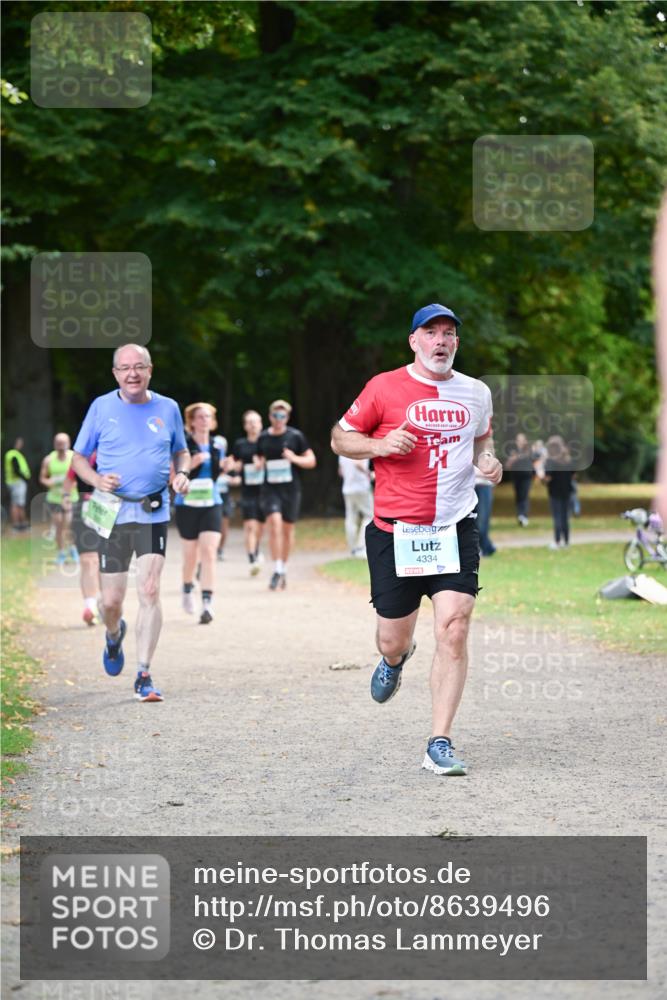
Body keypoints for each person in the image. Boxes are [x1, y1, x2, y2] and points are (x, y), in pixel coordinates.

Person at [331, 303, 502, 777]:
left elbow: (481, 444)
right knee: (392, 637)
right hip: (395, 533)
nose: (442, 341)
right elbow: (339, 438)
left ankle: (439, 741)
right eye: (432, 333)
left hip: (454, 526)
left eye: (449, 334)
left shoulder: (475, 392)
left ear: (456, 344)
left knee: (455, 627)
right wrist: (379, 445)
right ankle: (395, 659)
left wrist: (489, 464)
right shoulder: (383, 387)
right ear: (414, 341)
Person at [71, 344, 190, 702]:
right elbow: (78, 458)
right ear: (115, 373)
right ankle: (113, 634)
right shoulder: (101, 407)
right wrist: (95, 480)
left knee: (150, 589)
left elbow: (180, 450)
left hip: (153, 510)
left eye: (139, 366)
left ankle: (143, 673)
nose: (132, 374)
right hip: (111, 512)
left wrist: (181, 473)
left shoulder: (167, 408)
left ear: (150, 369)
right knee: (110, 601)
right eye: (125, 368)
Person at [256, 399, 316, 591]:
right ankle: (277, 568)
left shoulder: (295, 436)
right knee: (274, 524)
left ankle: (284, 567)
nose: (279, 419)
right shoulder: (263, 437)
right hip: (270, 489)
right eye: (275, 415)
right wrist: (258, 462)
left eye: (282, 416)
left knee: (288, 529)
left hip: (291, 489)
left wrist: (294, 458)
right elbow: (258, 455)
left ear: (287, 417)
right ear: (270, 416)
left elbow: (311, 461)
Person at [175, 403, 225, 624]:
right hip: (187, 504)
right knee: (190, 556)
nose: (205, 420)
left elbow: (217, 473)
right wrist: (191, 464)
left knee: (209, 552)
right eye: (200, 417)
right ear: (192, 421)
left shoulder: (218, 444)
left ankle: (207, 603)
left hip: (211, 502)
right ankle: (187, 588)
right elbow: (171, 478)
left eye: (208, 416)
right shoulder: (182, 445)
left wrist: (226, 466)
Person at [63, 451, 101, 625]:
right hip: (84, 508)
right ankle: (90, 607)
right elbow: (69, 478)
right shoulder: (80, 456)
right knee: (88, 560)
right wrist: (66, 498)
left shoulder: (116, 449)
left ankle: (104, 604)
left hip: (110, 510)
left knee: (105, 562)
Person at [230, 410, 266, 575]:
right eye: (250, 422)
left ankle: (257, 552)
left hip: (266, 491)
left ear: (261, 424)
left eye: (256, 421)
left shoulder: (267, 441)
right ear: (245, 426)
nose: (253, 425)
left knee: (259, 527)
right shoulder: (240, 444)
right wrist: (235, 472)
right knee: (250, 526)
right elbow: (234, 463)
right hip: (248, 490)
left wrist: (263, 464)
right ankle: (252, 559)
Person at [39, 432, 78, 565]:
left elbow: (81, 475)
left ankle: (72, 548)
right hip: (54, 498)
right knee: (59, 525)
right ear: (55, 444)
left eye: (63, 442)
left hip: (70, 497)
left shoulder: (74, 457)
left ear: (68, 443)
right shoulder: (49, 459)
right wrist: (50, 482)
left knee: (70, 525)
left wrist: (72, 484)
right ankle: (61, 552)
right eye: (59, 443)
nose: (61, 445)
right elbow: (42, 478)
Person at [540, 435, 574, 550]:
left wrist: (541, 478)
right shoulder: (568, 460)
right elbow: (574, 475)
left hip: (555, 492)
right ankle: (566, 542)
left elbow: (547, 478)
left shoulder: (551, 461)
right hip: (567, 491)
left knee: (557, 517)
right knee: (565, 517)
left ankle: (557, 541)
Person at [338, 455, 373, 557]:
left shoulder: (342, 449)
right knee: (370, 516)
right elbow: (357, 463)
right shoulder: (360, 446)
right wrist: (369, 473)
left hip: (347, 488)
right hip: (361, 487)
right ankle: (361, 547)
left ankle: (353, 549)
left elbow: (340, 471)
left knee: (351, 518)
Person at [505, 432, 534, 526]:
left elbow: (534, 460)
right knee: (518, 496)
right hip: (516, 476)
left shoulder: (529, 450)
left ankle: (524, 516)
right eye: (518, 440)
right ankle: (520, 515)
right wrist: (512, 459)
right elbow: (508, 465)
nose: (519, 442)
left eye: (521, 439)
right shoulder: (513, 451)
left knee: (524, 495)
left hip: (526, 476)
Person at [4, 436, 30, 531]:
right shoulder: (13, 454)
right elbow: (16, 469)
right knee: (17, 504)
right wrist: (25, 478)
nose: (21, 444)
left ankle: (20, 524)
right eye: (19, 442)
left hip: (13, 481)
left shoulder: (11, 454)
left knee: (17, 503)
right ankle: (18, 524)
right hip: (17, 482)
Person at [474, 467, 496, 557]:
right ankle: (486, 547)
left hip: (484, 485)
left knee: (482, 520)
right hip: (467, 486)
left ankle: (485, 547)